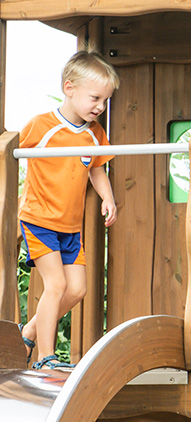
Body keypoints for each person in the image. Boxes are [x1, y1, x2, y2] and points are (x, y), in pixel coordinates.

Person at [17, 50, 120, 370]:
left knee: (77, 289)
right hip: (39, 219)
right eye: (95, 98)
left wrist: (108, 198)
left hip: (70, 225)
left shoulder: (94, 133)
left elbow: (96, 169)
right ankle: (45, 357)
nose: (99, 107)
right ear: (69, 88)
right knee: (57, 285)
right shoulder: (41, 127)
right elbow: (13, 157)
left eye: (105, 101)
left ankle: (30, 330)